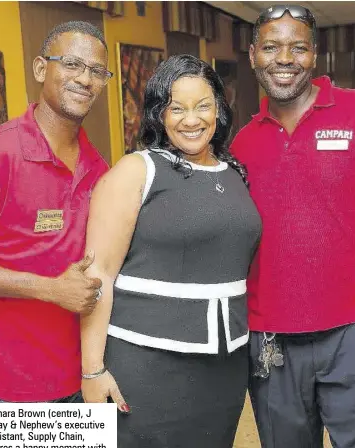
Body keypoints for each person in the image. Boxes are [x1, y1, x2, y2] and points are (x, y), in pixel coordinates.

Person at [231, 5, 355, 448]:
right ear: (254, 55)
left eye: (298, 47)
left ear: (315, 55)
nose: (284, 58)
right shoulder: (242, 143)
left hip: (354, 331)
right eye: (271, 47)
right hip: (269, 339)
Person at [80, 54, 262, 447]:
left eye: (203, 106)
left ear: (219, 109)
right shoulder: (137, 170)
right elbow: (98, 276)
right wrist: (92, 371)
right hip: (146, 365)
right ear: (158, 113)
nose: (191, 120)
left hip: (224, 367)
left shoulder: (233, 172)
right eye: (176, 108)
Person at [0, 21, 110, 403]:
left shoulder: (99, 169)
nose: (85, 79)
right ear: (41, 68)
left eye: (96, 71)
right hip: (3, 388)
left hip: (80, 381)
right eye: (71, 64)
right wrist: (51, 289)